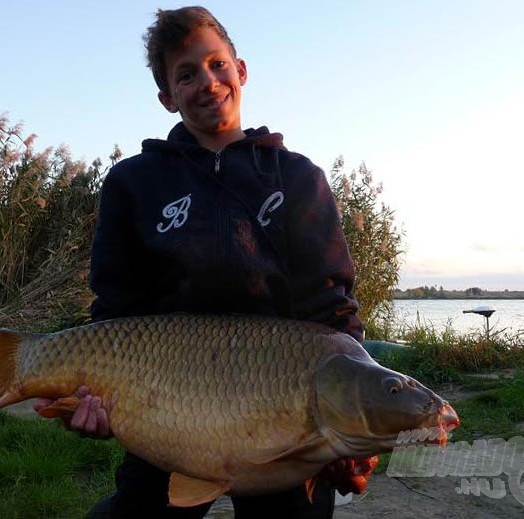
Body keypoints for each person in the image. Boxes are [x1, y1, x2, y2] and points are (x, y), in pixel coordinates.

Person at [38, 5, 370, 518]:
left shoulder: (299, 178)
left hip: (278, 405)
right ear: (168, 97)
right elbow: (117, 308)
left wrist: (353, 418)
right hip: (166, 403)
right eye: (186, 75)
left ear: (241, 70)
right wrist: (93, 394)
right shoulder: (134, 183)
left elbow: (331, 305)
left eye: (217, 65)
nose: (207, 83)